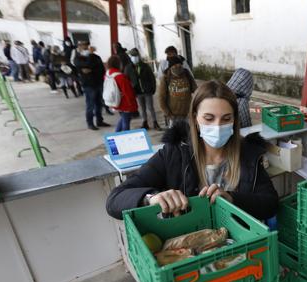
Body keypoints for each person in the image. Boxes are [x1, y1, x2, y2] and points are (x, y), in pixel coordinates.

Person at [106, 80, 278, 221]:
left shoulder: (248, 154)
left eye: (226, 118)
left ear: (235, 120)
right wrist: (150, 198)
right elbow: (115, 200)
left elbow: (270, 203)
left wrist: (232, 199)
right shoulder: (174, 154)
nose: (217, 126)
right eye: (209, 118)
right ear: (195, 118)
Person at [74, 41, 111, 130]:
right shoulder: (78, 58)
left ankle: (99, 120)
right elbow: (86, 65)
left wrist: (90, 69)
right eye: (83, 46)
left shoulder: (96, 57)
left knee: (99, 103)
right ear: (79, 47)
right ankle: (90, 123)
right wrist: (89, 62)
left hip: (98, 82)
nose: (85, 47)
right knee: (90, 105)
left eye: (86, 46)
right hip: (88, 85)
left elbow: (101, 69)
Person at [125, 48, 160, 130]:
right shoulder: (128, 68)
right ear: (130, 57)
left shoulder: (145, 66)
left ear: (138, 56)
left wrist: (153, 89)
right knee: (142, 108)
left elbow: (152, 78)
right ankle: (145, 122)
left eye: (136, 55)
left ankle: (155, 122)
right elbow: (126, 80)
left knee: (150, 107)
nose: (134, 57)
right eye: (133, 56)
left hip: (147, 91)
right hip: (137, 91)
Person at [158, 55, 197, 127]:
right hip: (173, 115)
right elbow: (161, 97)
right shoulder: (166, 78)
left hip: (187, 113)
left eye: (179, 65)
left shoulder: (187, 74)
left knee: (188, 133)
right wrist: (168, 113)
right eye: (175, 65)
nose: (177, 67)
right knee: (174, 135)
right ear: (170, 67)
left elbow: (196, 90)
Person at [106, 55, 138, 132]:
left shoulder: (108, 74)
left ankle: (116, 134)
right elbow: (128, 92)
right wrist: (132, 104)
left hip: (115, 101)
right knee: (126, 122)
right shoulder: (120, 76)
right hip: (124, 103)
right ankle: (125, 138)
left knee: (123, 118)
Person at [89, 46, 114, 116]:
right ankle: (95, 111)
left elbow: (102, 68)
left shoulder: (97, 57)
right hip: (93, 81)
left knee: (103, 96)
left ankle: (106, 109)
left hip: (100, 79)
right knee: (94, 98)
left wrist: (104, 76)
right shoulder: (88, 59)